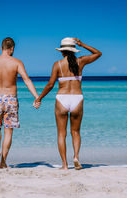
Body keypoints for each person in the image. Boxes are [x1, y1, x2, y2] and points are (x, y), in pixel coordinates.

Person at [35, 37, 102, 170]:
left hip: (62, 98)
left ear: (62, 51)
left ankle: (65, 165)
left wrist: (39, 98)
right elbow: (98, 54)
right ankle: (76, 157)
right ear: (73, 50)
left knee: (61, 134)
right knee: (75, 132)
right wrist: (83, 44)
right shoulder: (81, 61)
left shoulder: (57, 64)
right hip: (77, 98)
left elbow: (50, 85)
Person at [0, 37, 40, 168]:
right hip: (11, 98)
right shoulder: (16, 62)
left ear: (1, 48)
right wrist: (36, 96)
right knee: (8, 130)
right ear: (12, 48)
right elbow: (27, 80)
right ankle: (3, 161)